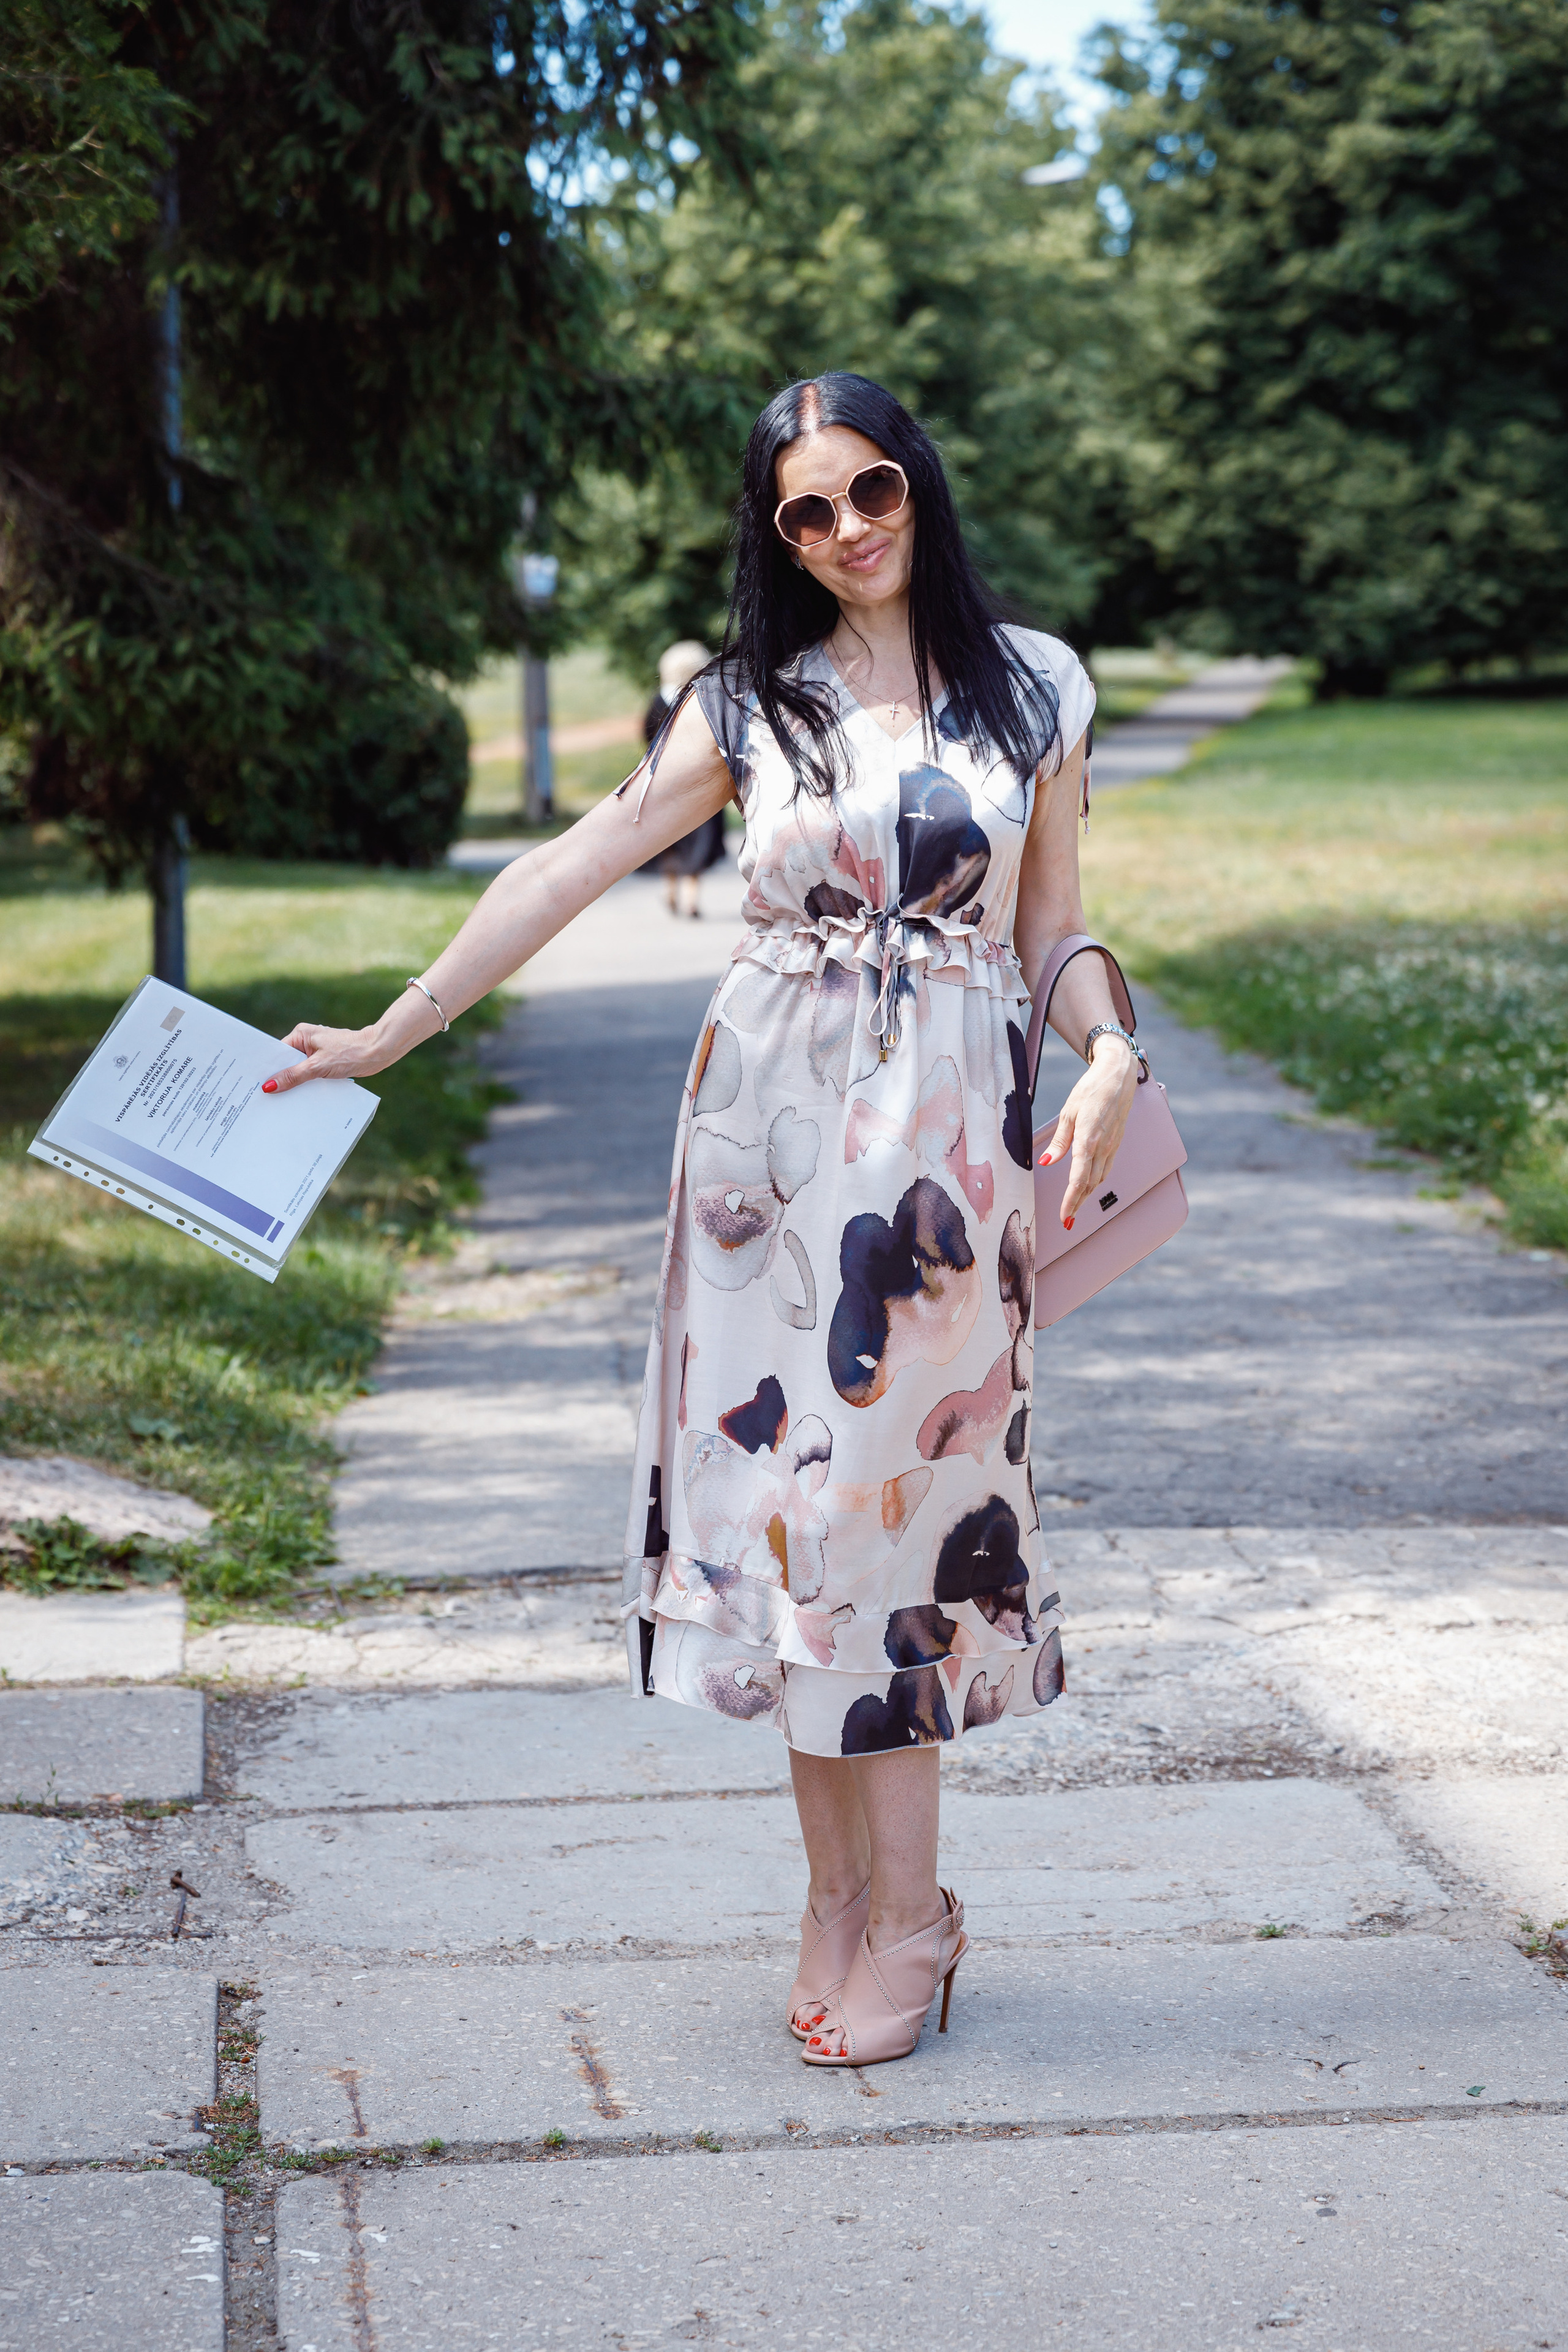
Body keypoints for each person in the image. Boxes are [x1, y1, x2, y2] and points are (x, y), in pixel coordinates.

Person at [263, 372, 1139, 2068]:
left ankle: (915, 1916)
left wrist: (1110, 1055)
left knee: (889, 1519)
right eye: (806, 513)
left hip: (940, 1169)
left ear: (918, 483)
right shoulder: (752, 702)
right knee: (790, 1517)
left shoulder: (1038, 687)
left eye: (870, 491)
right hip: (763, 1155)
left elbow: (1057, 932)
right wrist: (393, 1028)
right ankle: (832, 1899)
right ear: (779, 535)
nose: (847, 534)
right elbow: (565, 867)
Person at [641, 640, 727, 917]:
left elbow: (645, 735)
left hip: (663, 783)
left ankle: (670, 891)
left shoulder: (657, 701)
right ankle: (691, 899)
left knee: (669, 842)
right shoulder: (701, 700)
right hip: (701, 783)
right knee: (698, 841)